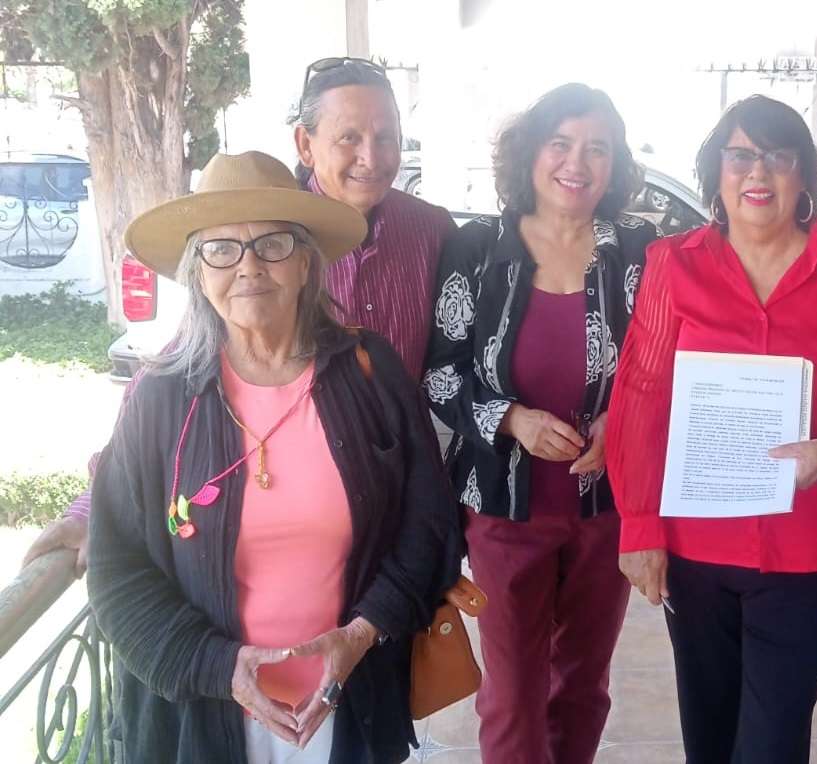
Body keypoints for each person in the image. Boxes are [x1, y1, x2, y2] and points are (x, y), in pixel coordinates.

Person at [86, 151, 462, 763]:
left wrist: (361, 634)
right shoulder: (162, 398)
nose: (249, 266)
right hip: (206, 716)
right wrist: (217, 666)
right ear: (198, 272)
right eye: (221, 249)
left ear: (307, 261)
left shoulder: (370, 372)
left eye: (273, 244)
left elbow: (429, 524)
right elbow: (115, 568)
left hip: (348, 703)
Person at [23, 56, 454, 575]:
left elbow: (453, 364)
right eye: (350, 137)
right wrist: (93, 508)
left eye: (386, 137)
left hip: (390, 512)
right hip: (274, 512)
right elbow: (178, 367)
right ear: (305, 144)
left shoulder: (432, 231)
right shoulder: (262, 232)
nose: (371, 156)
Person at [607, 95, 817, 764]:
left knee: (772, 744)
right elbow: (642, 397)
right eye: (740, 155)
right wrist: (639, 526)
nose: (758, 172)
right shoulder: (673, 265)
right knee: (709, 737)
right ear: (716, 172)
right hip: (695, 549)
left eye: (778, 156)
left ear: (804, 176)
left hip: (803, 550)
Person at [422, 83, 657, 763]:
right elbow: (440, 374)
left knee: (582, 685)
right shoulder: (477, 249)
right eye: (561, 143)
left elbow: (667, 366)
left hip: (605, 509)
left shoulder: (638, 252)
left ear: (615, 165)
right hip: (502, 512)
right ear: (530, 153)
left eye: (597, 149)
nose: (576, 162)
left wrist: (624, 421)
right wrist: (513, 420)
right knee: (512, 695)